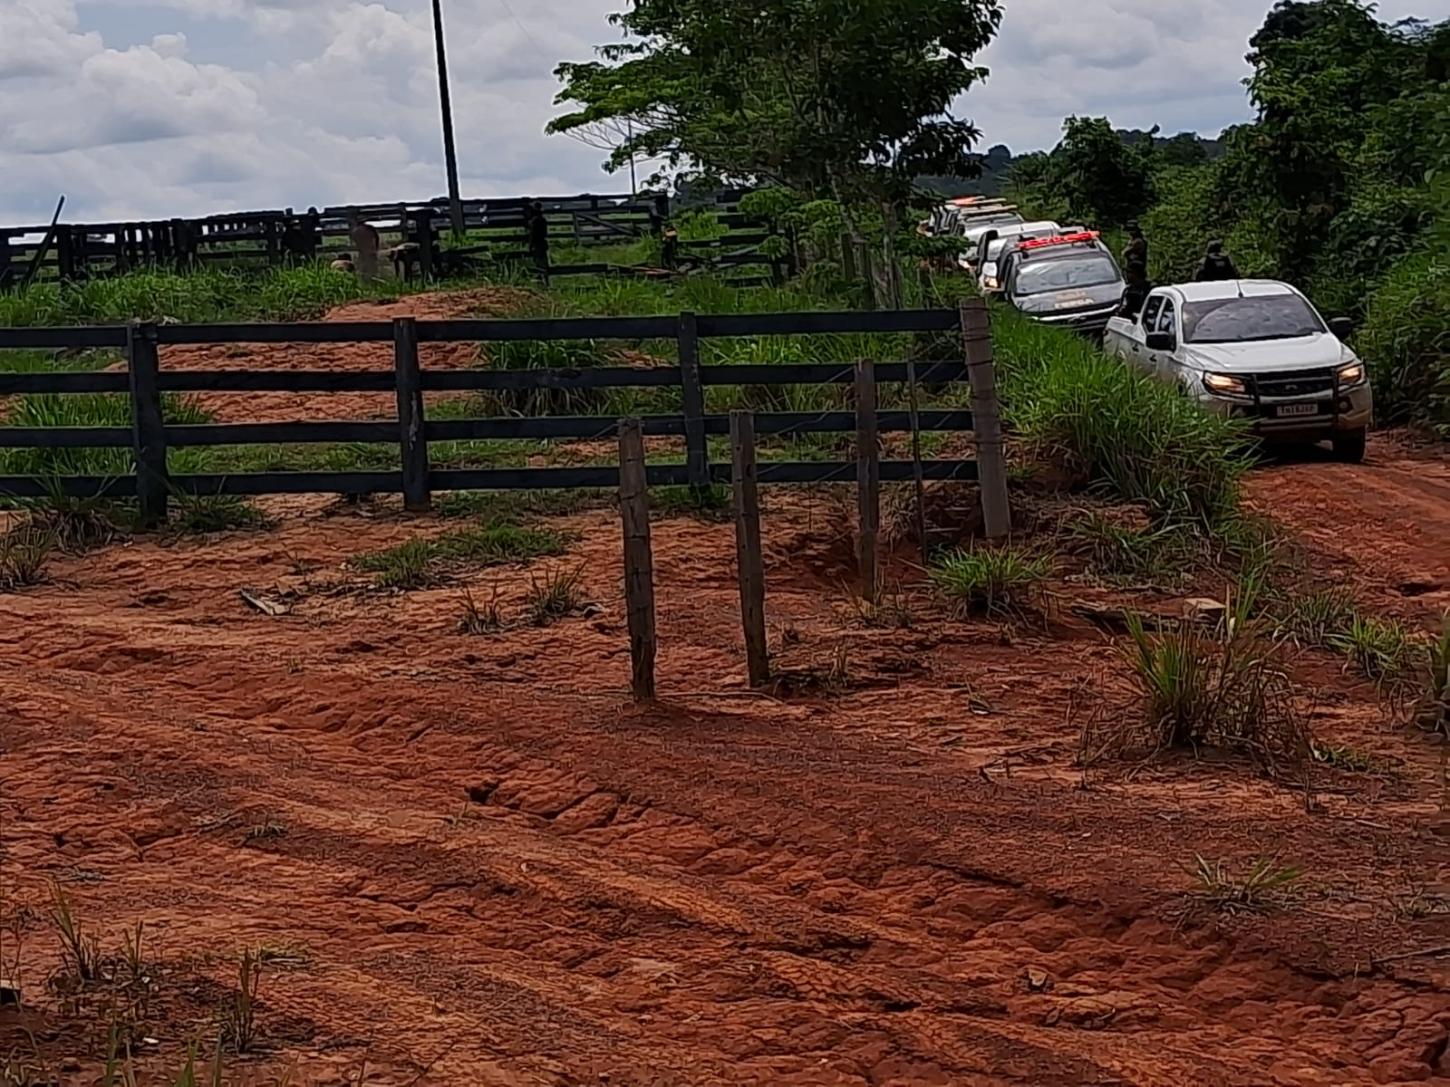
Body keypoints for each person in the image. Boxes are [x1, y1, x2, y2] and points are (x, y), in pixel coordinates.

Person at [1119, 221, 1150, 318]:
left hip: (1137, 270)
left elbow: (1124, 252)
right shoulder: (1135, 241)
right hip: (1135, 270)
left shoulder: (1138, 242)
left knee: (1137, 294)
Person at [526, 200, 550, 285]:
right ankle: (546, 280)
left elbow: (532, 234)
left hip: (537, 243)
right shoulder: (543, 220)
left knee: (538, 261)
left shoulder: (534, 221)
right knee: (544, 261)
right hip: (542, 242)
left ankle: (541, 278)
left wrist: (530, 245)